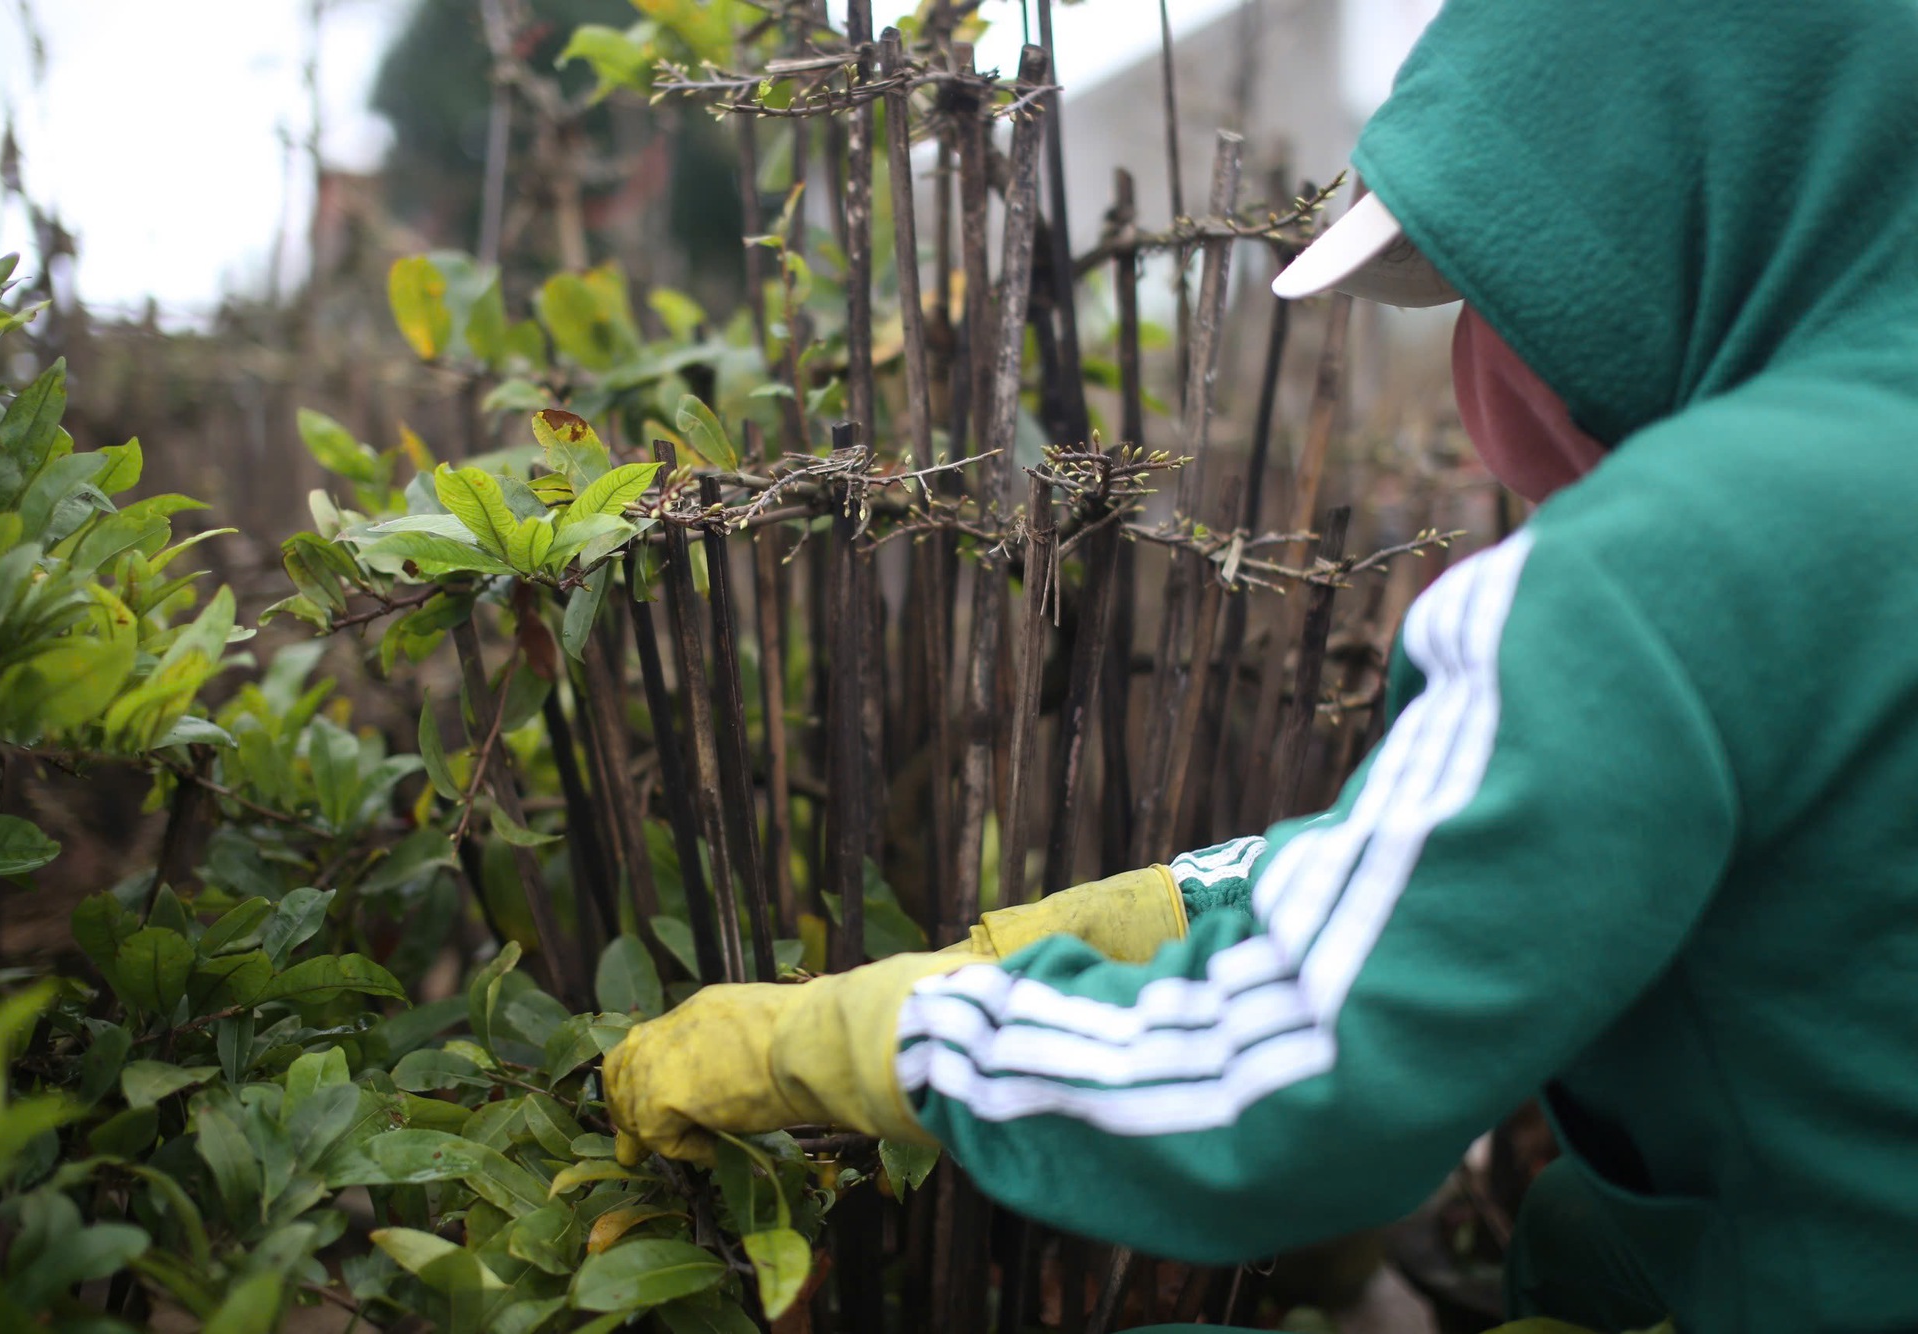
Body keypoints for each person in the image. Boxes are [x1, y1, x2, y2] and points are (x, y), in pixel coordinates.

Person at [605, 0, 1918, 1328]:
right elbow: (1496, 871)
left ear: (1645, 224)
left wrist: (875, 1039)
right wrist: (1155, 910)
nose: (1476, 368)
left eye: (1489, 290)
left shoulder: (1656, 569)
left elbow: (1290, 1072)